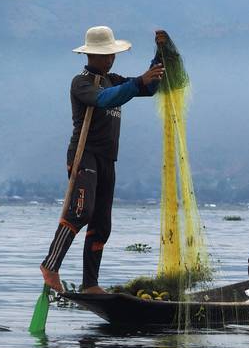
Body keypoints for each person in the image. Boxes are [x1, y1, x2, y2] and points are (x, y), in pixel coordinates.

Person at [39, 26, 168, 294]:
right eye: (105, 55)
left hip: (107, 158)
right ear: (92, 56)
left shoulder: (115, 79)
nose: (110, 59)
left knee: (102, 223)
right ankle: (50, 265)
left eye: (112, 54)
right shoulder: (82, 82)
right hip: (83, 153)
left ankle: (90, 284)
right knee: (80, 212)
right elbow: (104, 99)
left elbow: (150, 87)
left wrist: (160, 55)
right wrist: (137, 82)